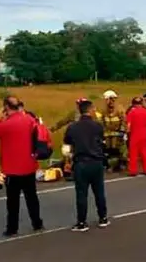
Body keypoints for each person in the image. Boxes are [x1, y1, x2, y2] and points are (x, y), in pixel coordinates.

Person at [0, 96, 43, 237]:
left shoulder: (5, 124)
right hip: (29, 165)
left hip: (12, 168)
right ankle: (37, 223)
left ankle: (12, 228)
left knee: (12, 201)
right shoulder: (29, 120)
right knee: (32, 197)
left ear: (6, 107)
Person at [64, 99, 110, 232]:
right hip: (96, 162)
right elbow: (102, 142)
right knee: (99, 191)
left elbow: (67, 144)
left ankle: (82, 221)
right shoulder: (98, 126)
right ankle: (103, 217)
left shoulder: (72, 127)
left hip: (81, 163)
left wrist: (68, 160)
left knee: (81, 193)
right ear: (90, 110)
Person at [95, 90, 127, 172]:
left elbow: (124, 121)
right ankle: (111, 165)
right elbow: (101, 121)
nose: (106, 101)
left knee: (116, 149)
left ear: (111, 99)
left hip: (117, 133)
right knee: (108, 150)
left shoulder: (119, 109)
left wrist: (123, 132)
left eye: (107, 99)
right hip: (107, 134)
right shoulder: (104, 109)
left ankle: (119, 165)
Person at [126, 97, 146, 176]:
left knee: (133, 154)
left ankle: (133, 171)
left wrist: (128, 133)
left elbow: (128, 125)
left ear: (133, 104)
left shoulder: (132, 112)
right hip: (144, 135)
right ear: (141, 103)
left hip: (134, 136)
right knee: (145, 153)